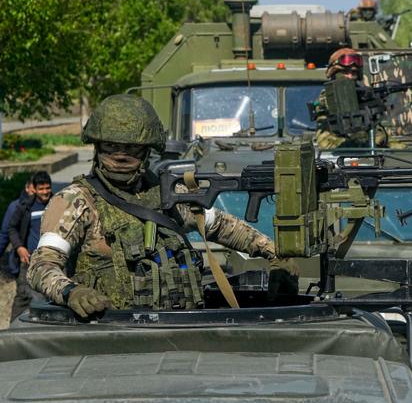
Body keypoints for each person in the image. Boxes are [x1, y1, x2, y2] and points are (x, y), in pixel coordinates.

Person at [27, 94, 297, 319]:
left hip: (181, 329)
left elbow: (222, 226)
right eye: (111, 147)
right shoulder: (76, 202)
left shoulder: (166, 194)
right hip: (110, 334)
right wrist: (71, 292)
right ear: (97, 148)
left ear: (147, 151)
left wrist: (277, 256)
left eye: (131, 149)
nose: (121, 156)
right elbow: (41, 266)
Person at [5, 172, 52, 320]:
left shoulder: (57, 203)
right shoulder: (25, 206)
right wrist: (19, 247)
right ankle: (13, 329)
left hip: (51, 259)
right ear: (34, 189)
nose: (45, 192)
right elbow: (11, 228)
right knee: (23, 295)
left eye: (47, 188)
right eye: (41, 189)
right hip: (28, 259)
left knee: (48, 295)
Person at [0, 178, 34, 274]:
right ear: (27, 188)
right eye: (33, 190)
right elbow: (4, 234)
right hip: (22, 261)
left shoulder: (49, 205)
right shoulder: (15, 207)